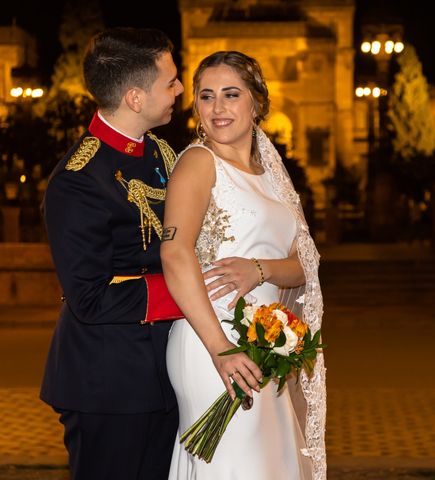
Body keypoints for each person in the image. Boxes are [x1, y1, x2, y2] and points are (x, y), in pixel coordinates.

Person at [161, 51, 326, 479]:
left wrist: (260, 270)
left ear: (257, 103)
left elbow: (305, 265)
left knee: (273, 461)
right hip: (211, 341)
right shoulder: (197, 163)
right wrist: (221, 349)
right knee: (237, 464)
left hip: (269, 342)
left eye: (231, 95)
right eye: (206, 96)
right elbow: (174, 254)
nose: (217, 108)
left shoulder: (273, 176)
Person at [40, 27, 185, 480]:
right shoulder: (78, 179)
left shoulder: (161, 153)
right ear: (136, 98)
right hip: (108, 384)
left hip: (164, 372)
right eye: (171, 81)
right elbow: (90, 298)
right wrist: (191, 292)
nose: (180, 89)